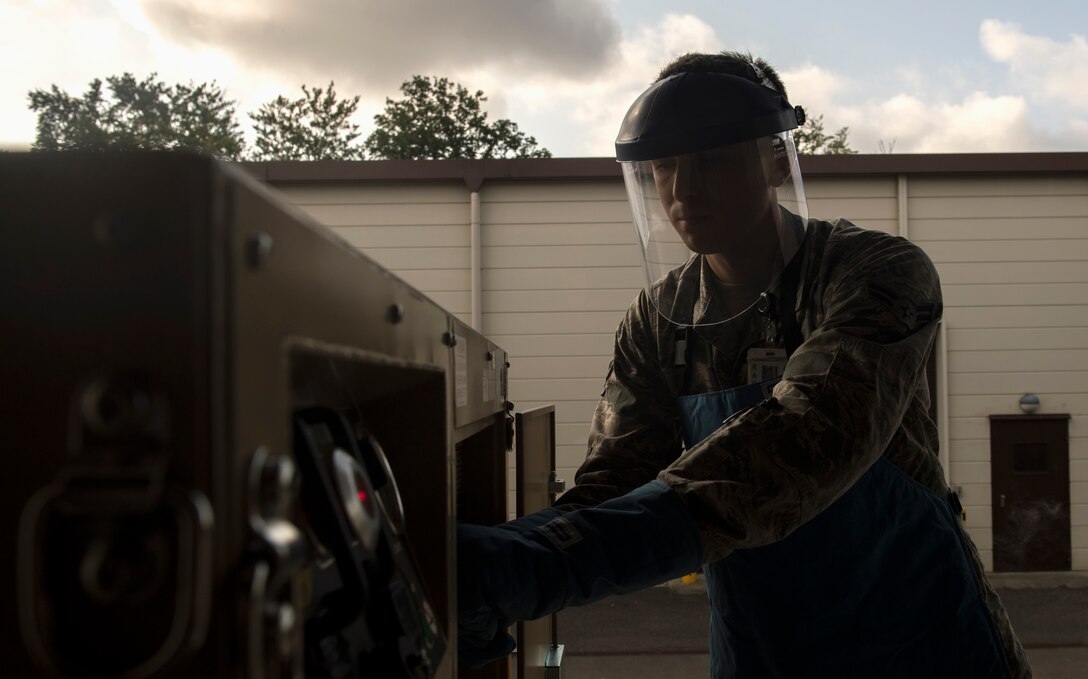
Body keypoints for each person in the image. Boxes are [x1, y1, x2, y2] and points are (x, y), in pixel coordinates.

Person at [458, 50, 1030, 678]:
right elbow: (615, 480)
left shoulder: (877, 273)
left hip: (919, 640)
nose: (683, 190)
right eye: (664, 166)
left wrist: (541, 564)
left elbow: (807, 438)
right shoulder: (658, 319)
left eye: (713, 159)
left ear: (778, 160)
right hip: (762, 648)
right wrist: (499, 567)